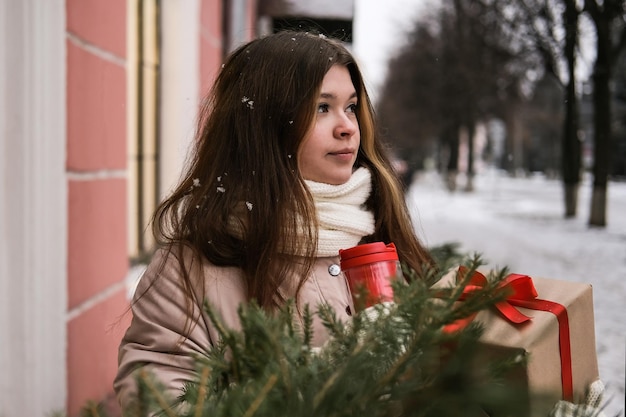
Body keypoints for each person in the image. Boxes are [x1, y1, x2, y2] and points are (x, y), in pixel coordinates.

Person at [114, 30, 434, 411]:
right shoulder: (191, 269)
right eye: (321, 108)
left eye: (350, 107)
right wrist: (326, 375)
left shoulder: (378, 232)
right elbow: (160, 405)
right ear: (265, 126)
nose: (347, 127)